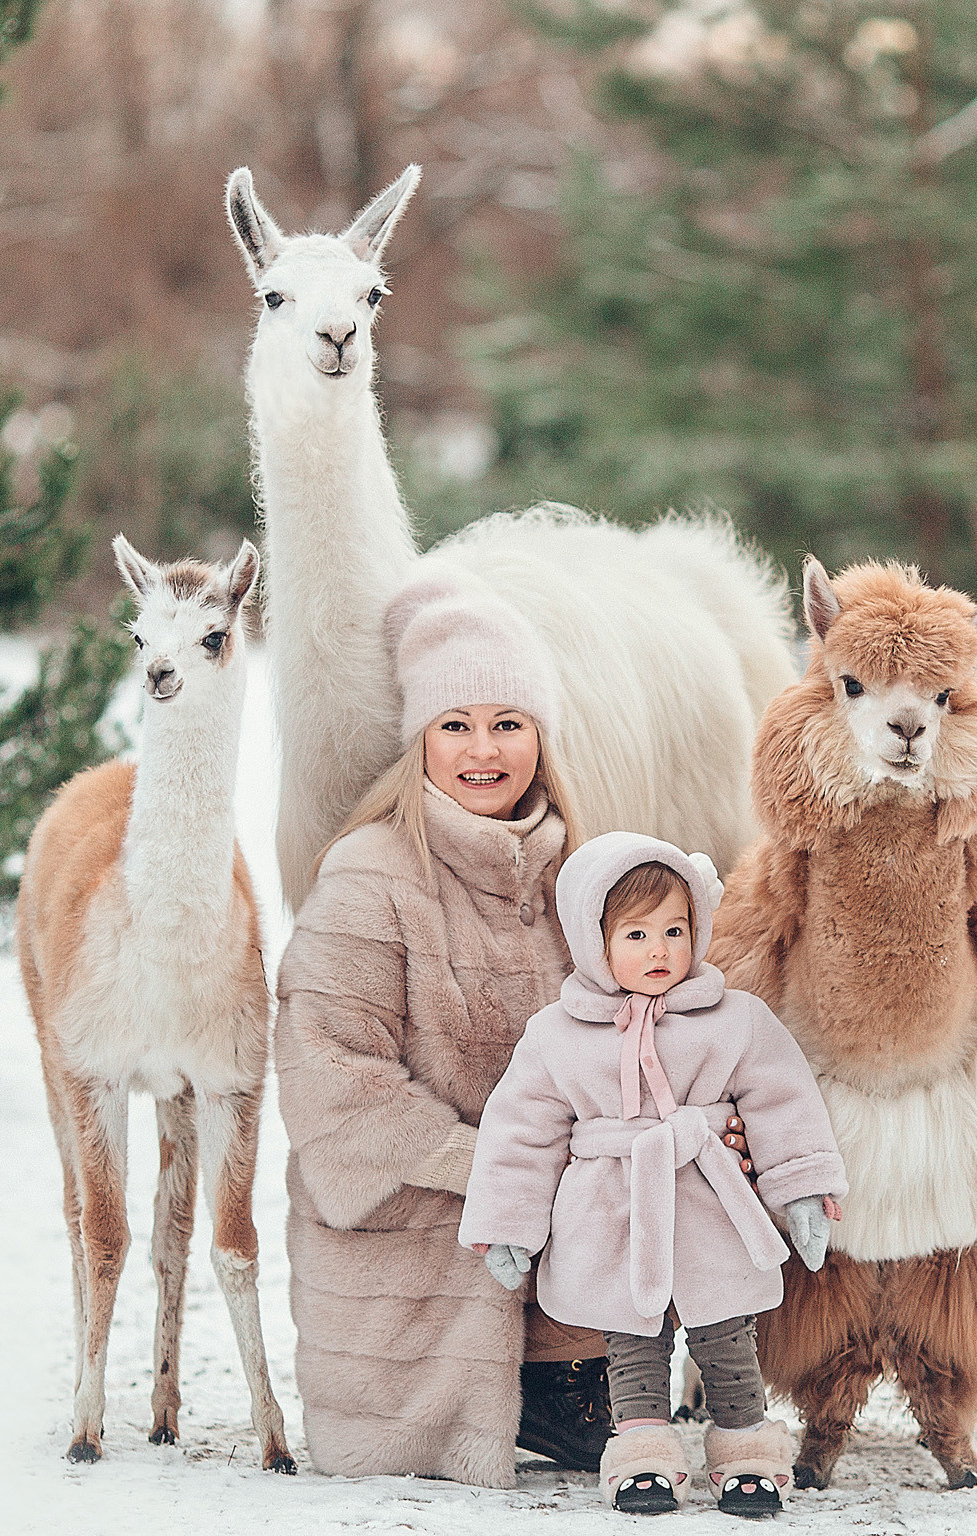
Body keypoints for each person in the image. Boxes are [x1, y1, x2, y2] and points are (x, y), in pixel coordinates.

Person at [272, 576, 611, 1486]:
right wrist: (491, 1168)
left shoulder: (580, 877)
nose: (483, 749)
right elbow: (330, 1079)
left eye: (509, 722)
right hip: (413, 1267)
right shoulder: (370, 875)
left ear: (541, 737)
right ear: (420, 739)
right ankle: (501, 1389)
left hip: (553, 1245)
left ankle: (568, 1366)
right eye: (455, 724)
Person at [458, 832, 848, 1517]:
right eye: (636, 934)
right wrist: (507, 1224)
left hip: (708, 1199)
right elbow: (521, 1130)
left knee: (726, 1334)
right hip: (612, 1206)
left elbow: (783, 1100)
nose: (660, 951)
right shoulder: (557, 1034)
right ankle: (643, 1454)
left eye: (674, 929)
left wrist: (803, 1188)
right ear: (592, 939)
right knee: (632, 1341)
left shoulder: (735, 1020)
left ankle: (746, 1451)